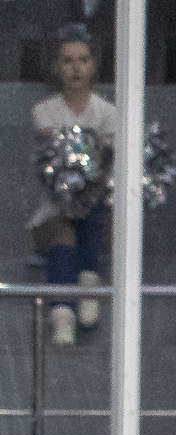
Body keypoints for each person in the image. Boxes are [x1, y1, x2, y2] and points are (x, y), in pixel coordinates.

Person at [27, 27, 117, 349]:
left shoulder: (109, 113)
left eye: (83, 60)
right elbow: (57, 165)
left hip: (95, 205)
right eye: (68, 61)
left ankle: (89, 279)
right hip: (56, 206)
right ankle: (63, 311)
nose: (76, 68)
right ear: (57, 67)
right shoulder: (43, 111)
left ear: (93, 65)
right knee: (62, 227)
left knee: (92, 204)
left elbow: (102, 166)